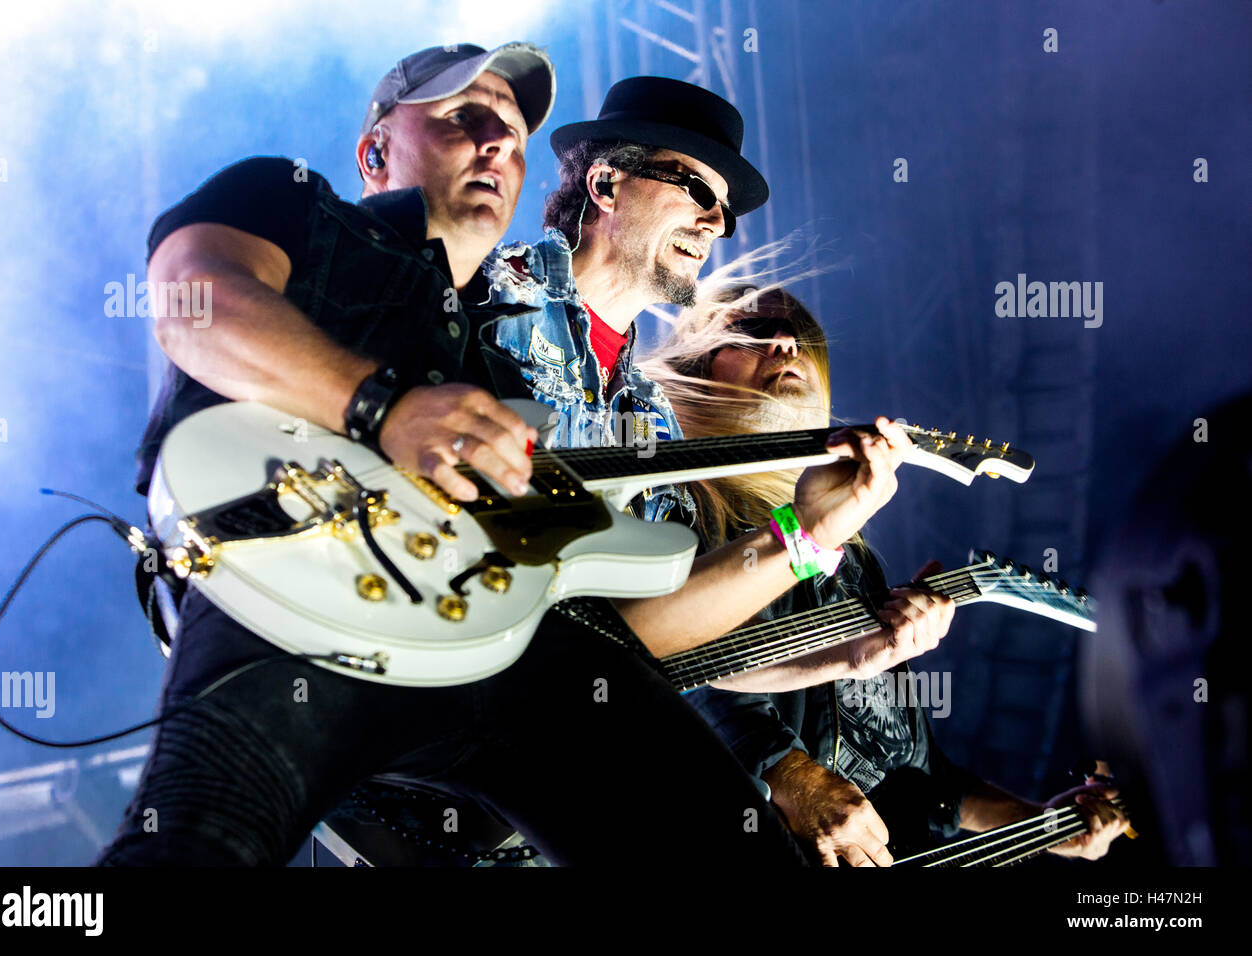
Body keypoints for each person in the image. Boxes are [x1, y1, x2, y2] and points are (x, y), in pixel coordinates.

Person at [97, 43, 809, 866]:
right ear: (375, 151)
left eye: (511, 130)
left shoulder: (501, 363)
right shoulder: (294, 206)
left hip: (492, 646)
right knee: (192, 852)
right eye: (460, 118)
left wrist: (809, 536)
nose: (498, 143)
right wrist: (383, 405)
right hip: (290, 586)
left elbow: (619, 619)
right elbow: (194, 302)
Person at [643, 283, 1132, 866]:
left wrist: (1047, 824)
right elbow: (667, 659)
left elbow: (921, 777)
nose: (783, 344)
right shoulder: (680, 505)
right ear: (698, 367)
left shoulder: (857, 561)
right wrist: (789, 772)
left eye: (800, 341)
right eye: (751, 334)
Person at [481, 77, 912, 661]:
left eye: (724, 213)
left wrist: (844, 648)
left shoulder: (650, 419)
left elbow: (662, 637)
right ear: (606, 183)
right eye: (694, 189)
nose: (715, 223)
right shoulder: (486, 295)